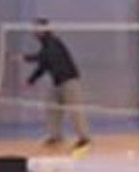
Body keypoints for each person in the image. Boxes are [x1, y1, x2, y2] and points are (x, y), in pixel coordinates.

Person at [24, 19, 90, 153]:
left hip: (69, 80)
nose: (34, 32)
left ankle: (84, 138)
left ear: (44, 29)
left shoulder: (54, 43)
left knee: (75, 110)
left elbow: (44, 57)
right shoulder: (45, 46)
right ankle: (56, 136)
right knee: (51, 107)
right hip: (57, 83)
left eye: (37, 29)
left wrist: (25, 58)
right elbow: (44, 65)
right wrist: (31, 81)